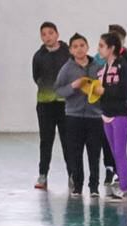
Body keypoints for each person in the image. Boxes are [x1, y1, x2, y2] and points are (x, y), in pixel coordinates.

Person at [55, 34, 105, 198]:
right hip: (73, 117)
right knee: (75, 152)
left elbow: (105, 89)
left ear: (87, 47)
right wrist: (73, 86)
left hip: (95, 117)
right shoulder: (67, 69)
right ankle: (77, 185)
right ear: (70, 50)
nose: (79, 49)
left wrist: (100, 91)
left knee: (94, 153)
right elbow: (58, 90)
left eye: (82, 45)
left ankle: (94, 187)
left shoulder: (98, 67)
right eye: (75, 46)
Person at [98, 24, 127, 188]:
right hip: (106, 114)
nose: (98, 50)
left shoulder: (124, 65)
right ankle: (120, 183)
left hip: (120, 114)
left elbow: (124, 90)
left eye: (101, 46)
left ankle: (124, 189)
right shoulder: (104, 67)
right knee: (114, 152)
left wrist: (104, 91)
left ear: (111, 48)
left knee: (120, 153)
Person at [31, 21, 71, 190]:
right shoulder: (38, 56)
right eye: (44, 34)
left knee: (68, 141)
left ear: (57, 34)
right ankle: (43, 175)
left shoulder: (68, 53)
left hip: (66, 105)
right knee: (46, 141)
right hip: (45, 104)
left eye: (50, 33)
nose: (47, 37)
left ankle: (73, 175)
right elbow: (36, 77)